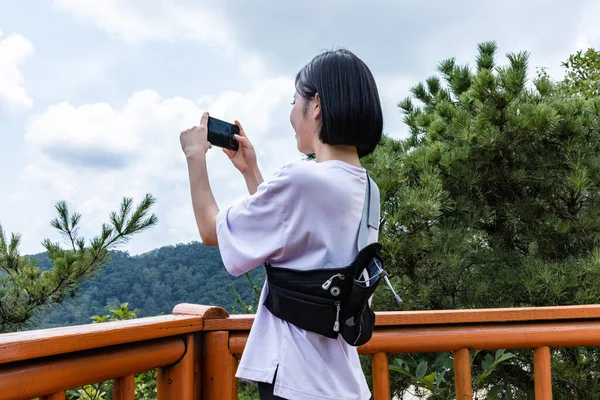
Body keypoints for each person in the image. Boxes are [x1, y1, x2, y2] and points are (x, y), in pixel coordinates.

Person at [180, 48, 383, 400]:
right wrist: (251, 172)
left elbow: (211, 231)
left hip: (295, 379)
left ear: (316, 105)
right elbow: (299, 246)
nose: (292, 113)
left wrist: (194, 156)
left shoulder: (303, 180)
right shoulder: (368, 189)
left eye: (295, 100)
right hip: (342, 382)